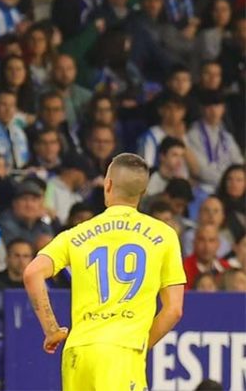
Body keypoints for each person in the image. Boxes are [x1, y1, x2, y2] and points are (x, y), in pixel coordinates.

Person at [23, 153, 185, 391]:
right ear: (143, 191)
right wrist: (140, 343)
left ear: (108, 185)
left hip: (79, 351)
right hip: (122, 352)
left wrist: (52, 330)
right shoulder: (164, 236)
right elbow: (174, 310)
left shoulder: (77, 233)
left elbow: (32, 273)